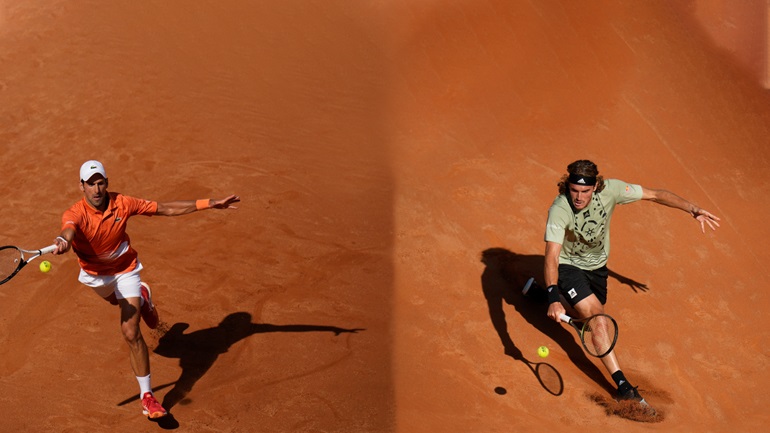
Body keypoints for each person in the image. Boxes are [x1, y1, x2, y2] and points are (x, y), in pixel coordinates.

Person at [52, 160, 240, 419]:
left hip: (125, 269)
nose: (96, 189)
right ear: (81, 186)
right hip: (96, 276)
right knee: (116, 303)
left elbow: (164, 208)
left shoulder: (123, 203)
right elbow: (68, 230)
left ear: (106, 183)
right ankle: (143, 296)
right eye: (90, 183)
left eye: (100, 182)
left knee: (130, 331)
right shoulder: (74, 213)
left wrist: (208, 203)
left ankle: (148, 398)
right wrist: (63, 241)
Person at [540, 159, 719, 406]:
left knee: (583, 316)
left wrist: (692, 208)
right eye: (573, 190)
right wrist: (552, 294)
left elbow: (655, 195)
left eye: (585, 191)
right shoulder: (560, 209)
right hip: (570, 267)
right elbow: (551, 256)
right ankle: (623, 386)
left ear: (596, 188)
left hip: (598, 269)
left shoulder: (612, 190)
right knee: (598, 320)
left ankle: (553, 300)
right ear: (567, 186)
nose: (578, 197)